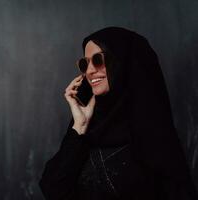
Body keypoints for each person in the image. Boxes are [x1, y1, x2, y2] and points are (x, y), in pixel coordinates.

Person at [38, 27, 198, 200]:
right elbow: (53, 188)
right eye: (85, 64)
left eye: (98, 60)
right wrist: (79, 126)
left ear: (124, 63)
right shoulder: (87, 128)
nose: (90, 71)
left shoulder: (153, 136)